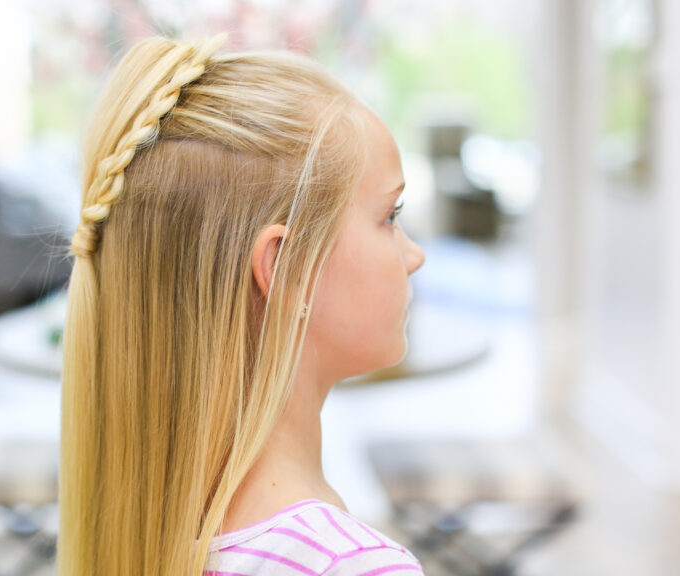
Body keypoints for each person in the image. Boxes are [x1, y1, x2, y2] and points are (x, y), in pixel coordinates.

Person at [58, 33, 427, 576]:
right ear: (287, 267)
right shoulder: (354, 566)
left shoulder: (149, 530)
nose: (414, 255)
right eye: (390, 217)